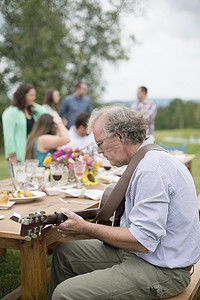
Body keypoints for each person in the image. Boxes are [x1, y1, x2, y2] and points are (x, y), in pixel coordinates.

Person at [48, 105, 200, 300]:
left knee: (64, 294)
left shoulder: (150, 169)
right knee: (64, 254)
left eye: (101, 143)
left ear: (120, 136)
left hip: (165, 270)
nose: (99, 151)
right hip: (144, 255)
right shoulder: (147, 158)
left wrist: (86, 228)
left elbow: (142, 240)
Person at [2, 83, 46, 163]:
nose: (34, 98)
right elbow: (8, 135)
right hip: (18, 156)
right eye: (31, 95)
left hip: (33, 154)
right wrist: (12, 156)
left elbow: (46, 115)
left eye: (34, 95)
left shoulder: (33, 111)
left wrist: (36, 106)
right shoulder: (10, 112)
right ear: (23, 95)